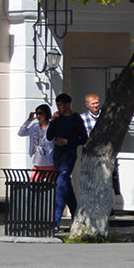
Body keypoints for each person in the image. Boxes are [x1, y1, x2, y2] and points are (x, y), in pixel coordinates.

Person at [48, 93, 87, 229]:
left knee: (60, 184)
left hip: (69, 155)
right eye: (57, 105)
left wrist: (67, 141)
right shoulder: (57, 118)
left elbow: (84, 138)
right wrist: (52, 121)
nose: (58, 108)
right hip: (58, 155)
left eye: (60, 105)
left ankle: (55, 221)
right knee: (65, 185)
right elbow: (49, 136)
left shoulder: (76, 119)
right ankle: (77, 215)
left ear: (67, 104)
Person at [18, 103, 54, 179]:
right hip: (37, 163)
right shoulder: (35, 127)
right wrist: (29, 120)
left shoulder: (52, 126)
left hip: (50, 162)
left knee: (52, 186)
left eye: (40, 113)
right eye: (37, 114)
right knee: (34, 185)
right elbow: (21, 132)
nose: (38, 116)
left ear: (46, 114)